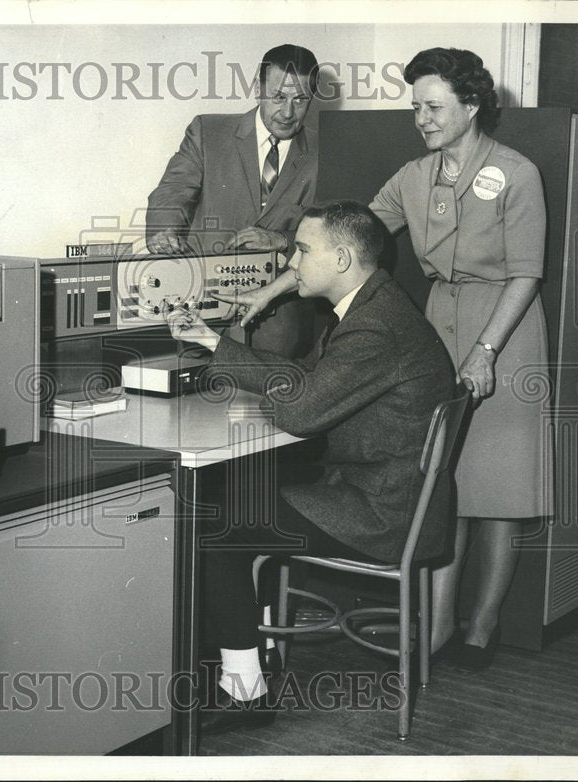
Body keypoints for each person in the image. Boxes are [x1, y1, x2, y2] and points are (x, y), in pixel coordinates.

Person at [233, 48, 553, 671]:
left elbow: (527, 273)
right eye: (416, 108)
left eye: (433, 107)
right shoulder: (414, 177)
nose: (422, 120)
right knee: (442, 482)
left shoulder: (517, 174)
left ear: (472, 104)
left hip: (507, 331)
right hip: (442, 321)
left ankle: (480, 632)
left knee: (500, 491)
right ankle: (433, 630)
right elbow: (344, 241)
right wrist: (273, 287)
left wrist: (487, 350)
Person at [167, 201, 455, 735]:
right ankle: (244, 653)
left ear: (342, 258)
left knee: (216, 521)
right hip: (390, 495)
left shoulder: (374, 327)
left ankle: (245, 688)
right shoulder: (374, 305)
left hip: (380, 514)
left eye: (302, 250)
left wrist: (265, 384)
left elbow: (302, 409)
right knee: (235, 491)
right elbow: (308, 376)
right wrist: (215, 344)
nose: (291, 262)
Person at [147, 43, 320, 357]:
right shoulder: (207, 131)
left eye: (300, 100)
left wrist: (282, 239)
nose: (287, 112)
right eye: (278, 97)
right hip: (202, 317)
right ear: (257, 88)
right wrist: (165, 233)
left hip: (281, 331)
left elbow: (336, 234)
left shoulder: (325, 152)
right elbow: (171, 192)